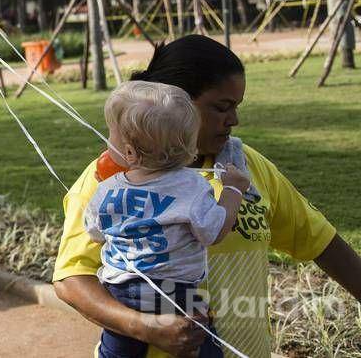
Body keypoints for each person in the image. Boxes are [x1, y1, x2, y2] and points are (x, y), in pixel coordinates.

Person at [53, 35, 361, 358]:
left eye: (236, 107)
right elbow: (71, 279)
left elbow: (321, 241)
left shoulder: (245, 168)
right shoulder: (109, 180)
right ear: (175, 104)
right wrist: (145, 328)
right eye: (222, 107)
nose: (233, 120)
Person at [85, 81, 251, 358]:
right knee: (204, 343)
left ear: (129, 153)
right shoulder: (193, 186)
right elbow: (214, 231)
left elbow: (94, 232)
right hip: (176, 291)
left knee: (117, 350)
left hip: (119, 290)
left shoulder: (106, 189)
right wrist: (233, 189)